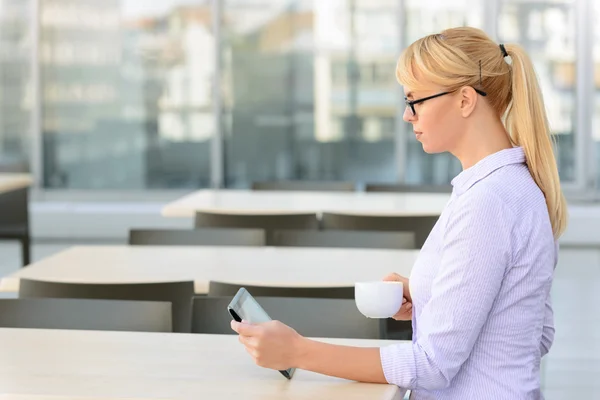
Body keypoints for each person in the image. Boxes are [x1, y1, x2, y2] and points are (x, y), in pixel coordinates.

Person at [231, 26, 567, 399]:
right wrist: (430, 296)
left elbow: (433, 366)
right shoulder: (518, 187)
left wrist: (298, 351)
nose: (408, 116)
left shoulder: (487, 203)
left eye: (415, 100)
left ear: (465, 100)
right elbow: (535, 333)